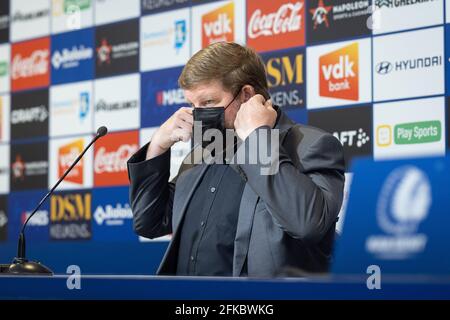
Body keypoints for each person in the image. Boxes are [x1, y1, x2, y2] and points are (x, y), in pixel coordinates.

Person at [127, 42, 345, 277]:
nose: (196, 114)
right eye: (192, 105)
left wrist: (257, 139)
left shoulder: (310, 145)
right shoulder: (202, 153)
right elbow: (149, 222)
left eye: (208, 102)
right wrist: (158, 145)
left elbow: (307, 224)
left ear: (247, 95)